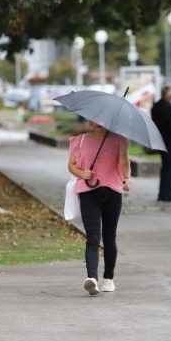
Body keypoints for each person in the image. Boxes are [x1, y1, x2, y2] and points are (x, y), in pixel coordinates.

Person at [68, 122, 131, 296]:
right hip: (88, 193)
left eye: (101, 122)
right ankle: (92, 279)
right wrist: (81, 173)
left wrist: (126, 178)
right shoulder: (79, 141)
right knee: (93, 237)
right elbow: (71, 165)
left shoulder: (119, 140)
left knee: (109, 237)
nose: (96, 124)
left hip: (112, 192)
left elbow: (124, 162)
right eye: (93, 121)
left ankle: (109, 279)